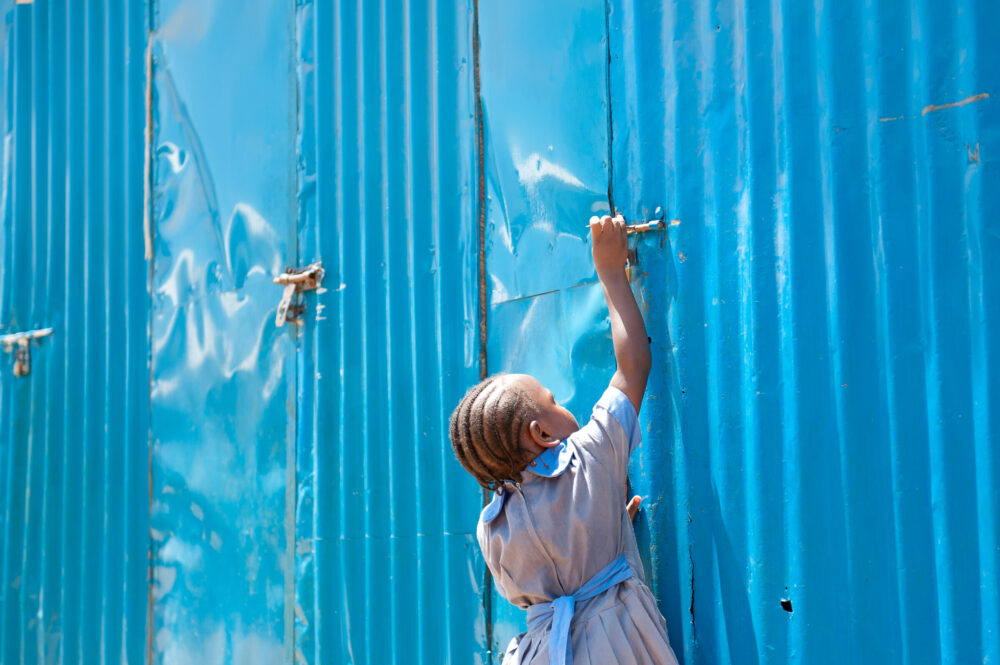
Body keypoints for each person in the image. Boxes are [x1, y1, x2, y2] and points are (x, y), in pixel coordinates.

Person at [449, 215, 679, 665]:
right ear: (542, 433)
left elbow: (557, 567)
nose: (562, 403)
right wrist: (612, 273)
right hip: (617, 648)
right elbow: (633, 366)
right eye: (552, 399)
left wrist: (606, 519)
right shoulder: (590, 455)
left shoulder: (492, 528)